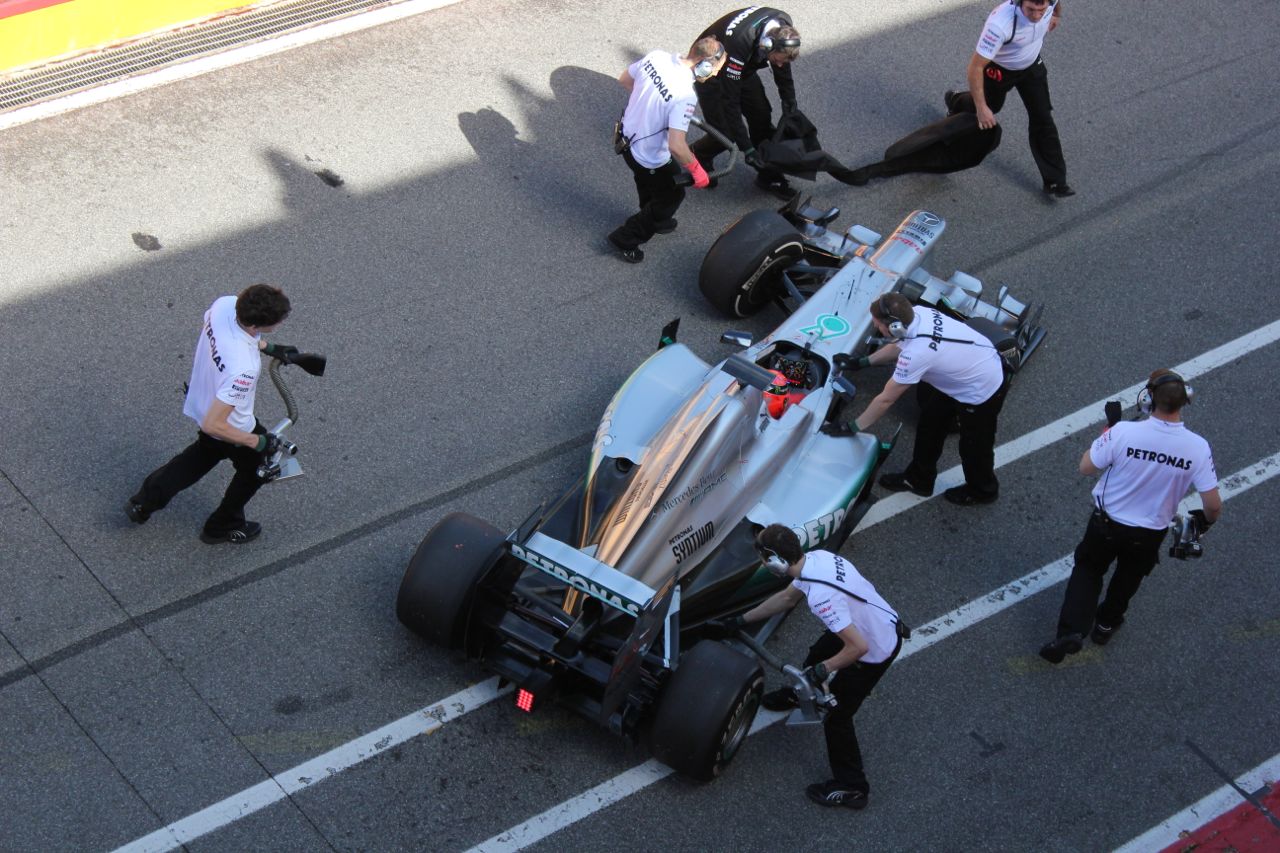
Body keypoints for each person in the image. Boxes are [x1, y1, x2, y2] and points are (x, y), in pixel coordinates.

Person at [713, 524, 902, 809]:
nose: (763, 564)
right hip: (863, 624)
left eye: (764, 559)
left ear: (776, 560)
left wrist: (823, 670)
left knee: (837, 718)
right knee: (814, 658)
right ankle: (802, 691)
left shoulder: (821, 597)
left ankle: (852, 788)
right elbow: (787, 598)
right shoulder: (816, 561)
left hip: (874, 647)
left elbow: (857, 648)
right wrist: (740, 621)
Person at [1039, 370, 1221, 663]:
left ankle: (1070, 632)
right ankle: (1105, 625)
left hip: (1106, 525)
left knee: (1087, 571)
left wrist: (1107, 433)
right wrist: (1205, 523)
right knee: (1129, 577)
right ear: (1185, 402)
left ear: (1150, 399)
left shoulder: (1123, 432)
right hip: (1149, 534)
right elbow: (1212, 504)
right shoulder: (1197, 447)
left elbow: (1086, 467)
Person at [125, 284, 294, 544]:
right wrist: (258, 442)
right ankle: (223, 525)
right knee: (257, 467)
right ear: (256, 325)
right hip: (232, 425)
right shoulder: (243, 370)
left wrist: (268, 347)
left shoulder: (225, 305)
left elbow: (237, 336)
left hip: (203, 397)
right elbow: (214, 424)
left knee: (201, 455)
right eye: (279, 321)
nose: (282, 322)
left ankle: (145, 501)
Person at [839, 293, 1008, 506]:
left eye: (877, 324)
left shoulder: (916, 355)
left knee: (974, 446)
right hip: (961, 374)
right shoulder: (919, 314)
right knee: (930, 424)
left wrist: (852, 426)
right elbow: (898, 345)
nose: (875, 327)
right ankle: (919, 479)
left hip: (981, 389)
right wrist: (862, 362)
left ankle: (983, 491)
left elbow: (885, 400)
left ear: (893, 327)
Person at [606, 37, 725, 264]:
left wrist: (649, 107)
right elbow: (676, 146)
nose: (716, 74)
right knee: (672, 195)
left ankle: (650, 213)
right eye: (716, 68)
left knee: (647, 181)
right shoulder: (685, 96)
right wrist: (697, 170)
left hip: (625, 140)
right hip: (648, 155)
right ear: (704, 64)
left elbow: (625, 80)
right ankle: (627, 238)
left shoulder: (656, 57)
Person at [944, 0, 1073, 198]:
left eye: (1042, 10)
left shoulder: (1049, 3)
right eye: (1031, 9)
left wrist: (1055, 13)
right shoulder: (999, 25)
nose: (1037, 16)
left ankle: (1055, 181)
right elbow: (975, 68)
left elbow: (1055, 4)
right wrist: (981, 108)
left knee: (1043, 119)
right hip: (1000, 69)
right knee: (990, 107)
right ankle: (957, 102)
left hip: (1031, 66)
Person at [691, 7, 802, 198]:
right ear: (767, 46)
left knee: (761, 116)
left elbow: (781, 63)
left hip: (743, 67)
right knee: (725, 134)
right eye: (778, 59)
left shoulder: (783, 25)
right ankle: (699, 155)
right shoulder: (740, 43)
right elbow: (730, 101)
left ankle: (768, 175)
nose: (781, 64)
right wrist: (747, 148)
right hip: (712, 71)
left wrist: (788, 98)